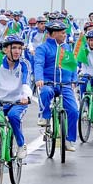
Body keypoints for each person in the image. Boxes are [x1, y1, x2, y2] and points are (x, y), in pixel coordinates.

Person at [34, 20, 79, 152]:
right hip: (48, 82)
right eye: (62, 33)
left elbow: (72, 65)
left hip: (65, 84)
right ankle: (44, 115)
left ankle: (69, 139)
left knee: (74, 110)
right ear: (53, 34)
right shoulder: (42, 48)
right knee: (45, 92)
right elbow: (38, 64)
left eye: (65, 33)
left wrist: (74, 80)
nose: (65, 35)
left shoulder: (67, 48)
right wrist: (39, 79)